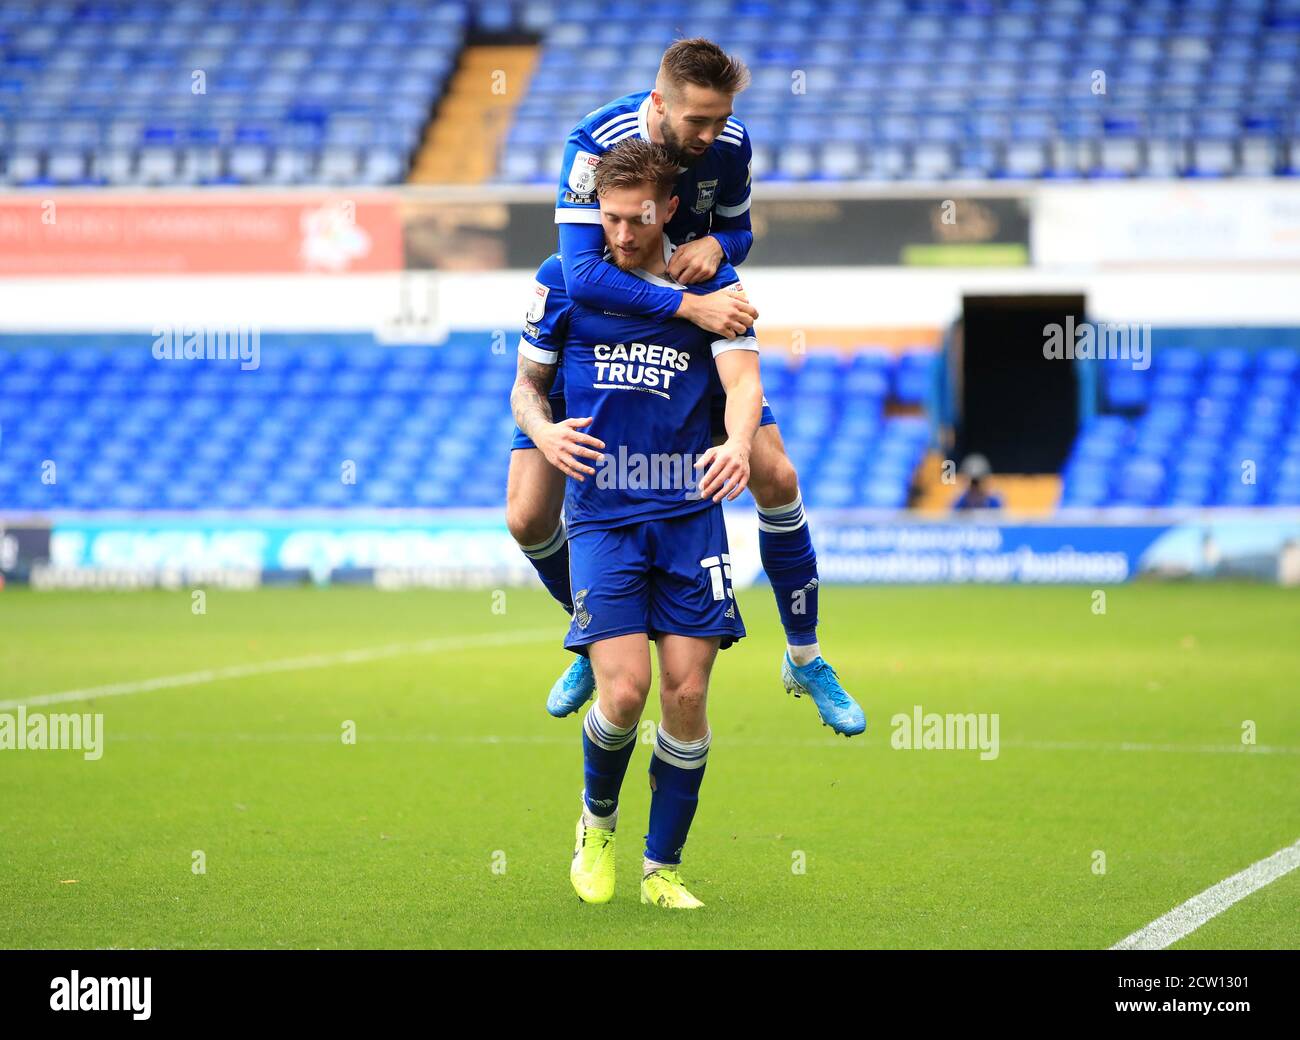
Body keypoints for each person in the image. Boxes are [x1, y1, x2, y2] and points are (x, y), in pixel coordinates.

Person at [506, 37, 865, 737]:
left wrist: (718, 250)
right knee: (525, 516)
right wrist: (688, 304)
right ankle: (590, 630)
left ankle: (805, 656)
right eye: (697, 120)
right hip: (602, 337)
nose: (712, 133)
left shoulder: (730, 142)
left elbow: (740, 233)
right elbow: (583, 274)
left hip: (689, 345)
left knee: (776, 474)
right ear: (659, 103)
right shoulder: (594, 142)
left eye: (721, 117)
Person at [511, 139, 761, 908]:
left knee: (686, 696)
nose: (620, 234)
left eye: (637, 219)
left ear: (670, 210)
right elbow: (525, 388)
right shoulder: (562, 281)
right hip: (605, 519)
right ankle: (597, 823)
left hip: (689, 517)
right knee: (625, 693)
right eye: (609, 218)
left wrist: (739, 441)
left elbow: (745, 381)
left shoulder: (711, 282)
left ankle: (664, 870)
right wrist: (544, 433)